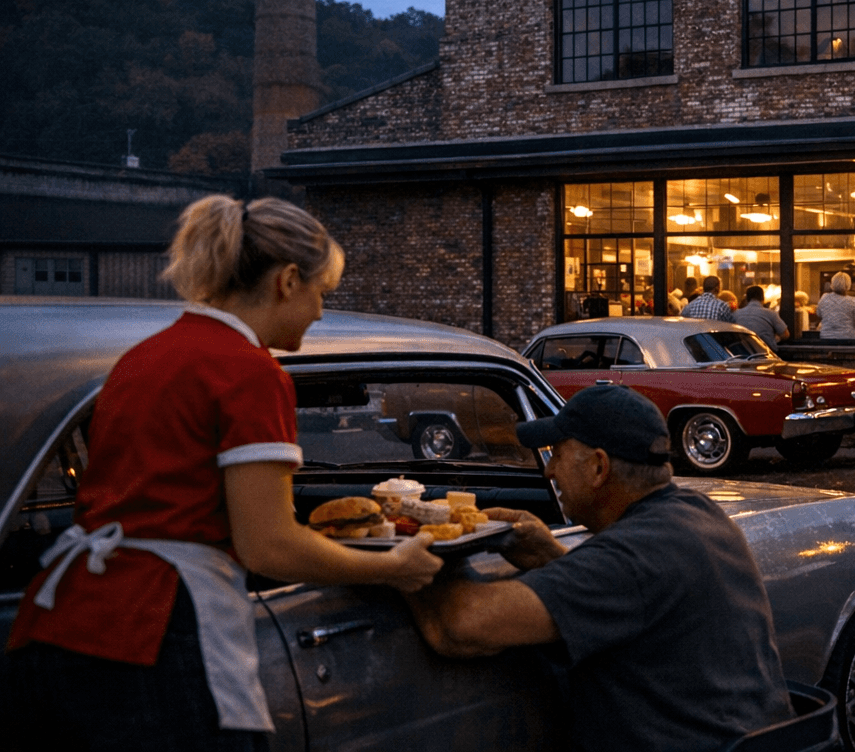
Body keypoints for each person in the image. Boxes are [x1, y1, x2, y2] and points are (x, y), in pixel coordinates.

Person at [4, 195, 442, 751]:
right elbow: (268, 547)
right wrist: (393, 568)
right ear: (287, 280)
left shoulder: (142, 358)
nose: (321, 313)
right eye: (321, 293)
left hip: (57, 623)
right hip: (161, 633)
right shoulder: (249, 372)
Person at [408, 385, 792, 752]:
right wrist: (550, 556)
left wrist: (405, 549)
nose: (549, 472)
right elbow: (631, 599)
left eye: (556, 453)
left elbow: (458, 625)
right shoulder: (697, 514)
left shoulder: (633, 556)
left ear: (597, 467)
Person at [734, 285, 789, 352]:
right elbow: (785, 334)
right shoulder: (771, 313)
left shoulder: (736, 314)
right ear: (763, 298)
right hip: (766, 353)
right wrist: (775, 339)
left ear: (747, 298)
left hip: (742, 353)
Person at [815, 271, 855, 339]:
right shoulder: (853, 301)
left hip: (827, 337)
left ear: (832, 284)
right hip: (848, 338)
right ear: (848, 285)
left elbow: (819, 314)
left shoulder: (824, 298)